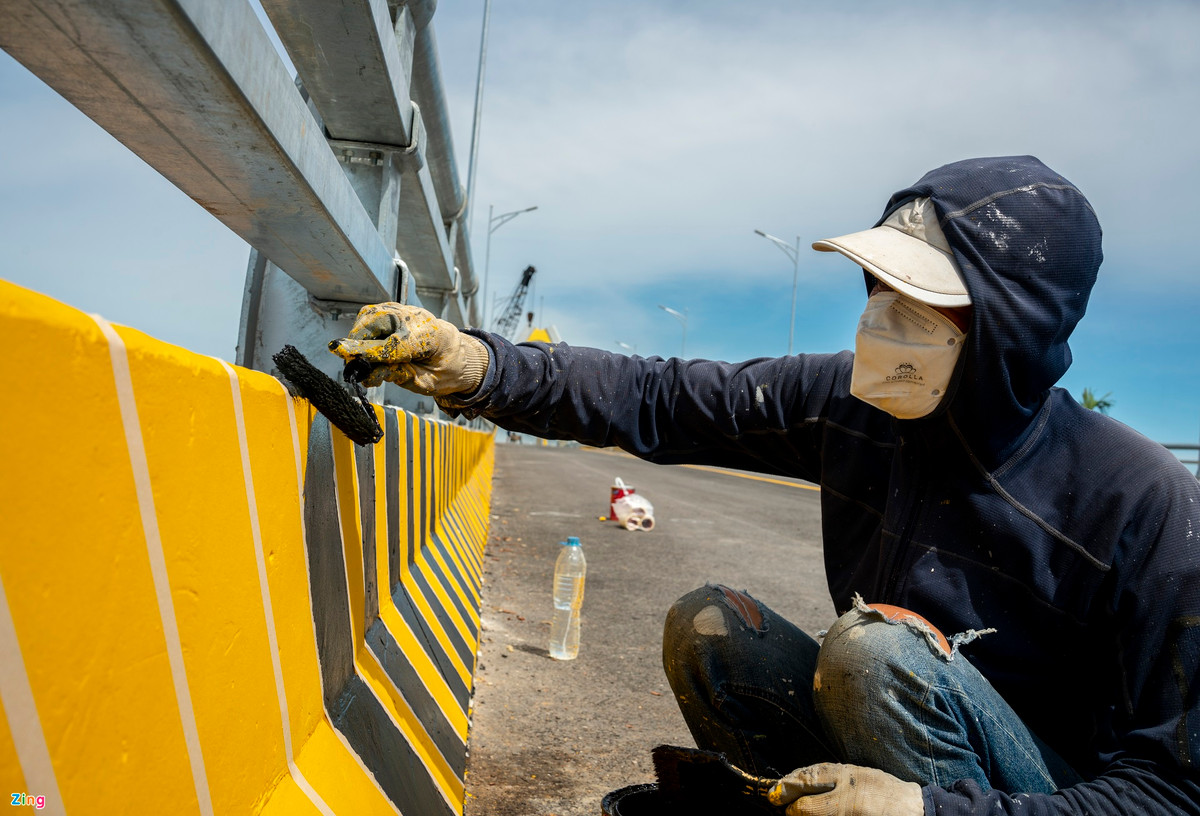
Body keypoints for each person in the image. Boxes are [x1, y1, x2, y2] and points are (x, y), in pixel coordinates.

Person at [329, 156, 1200, 815]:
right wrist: (478, 366)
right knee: (716, 628)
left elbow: (1174, 794)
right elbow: (661, 397)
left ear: (1015, 328)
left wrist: (930, 810)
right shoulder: (859, 408)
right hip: (924, 764)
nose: (877, 321)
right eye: (880, 290)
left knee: (876, 654)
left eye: (920, 304)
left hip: (1033, 799)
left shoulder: (1143, 505)